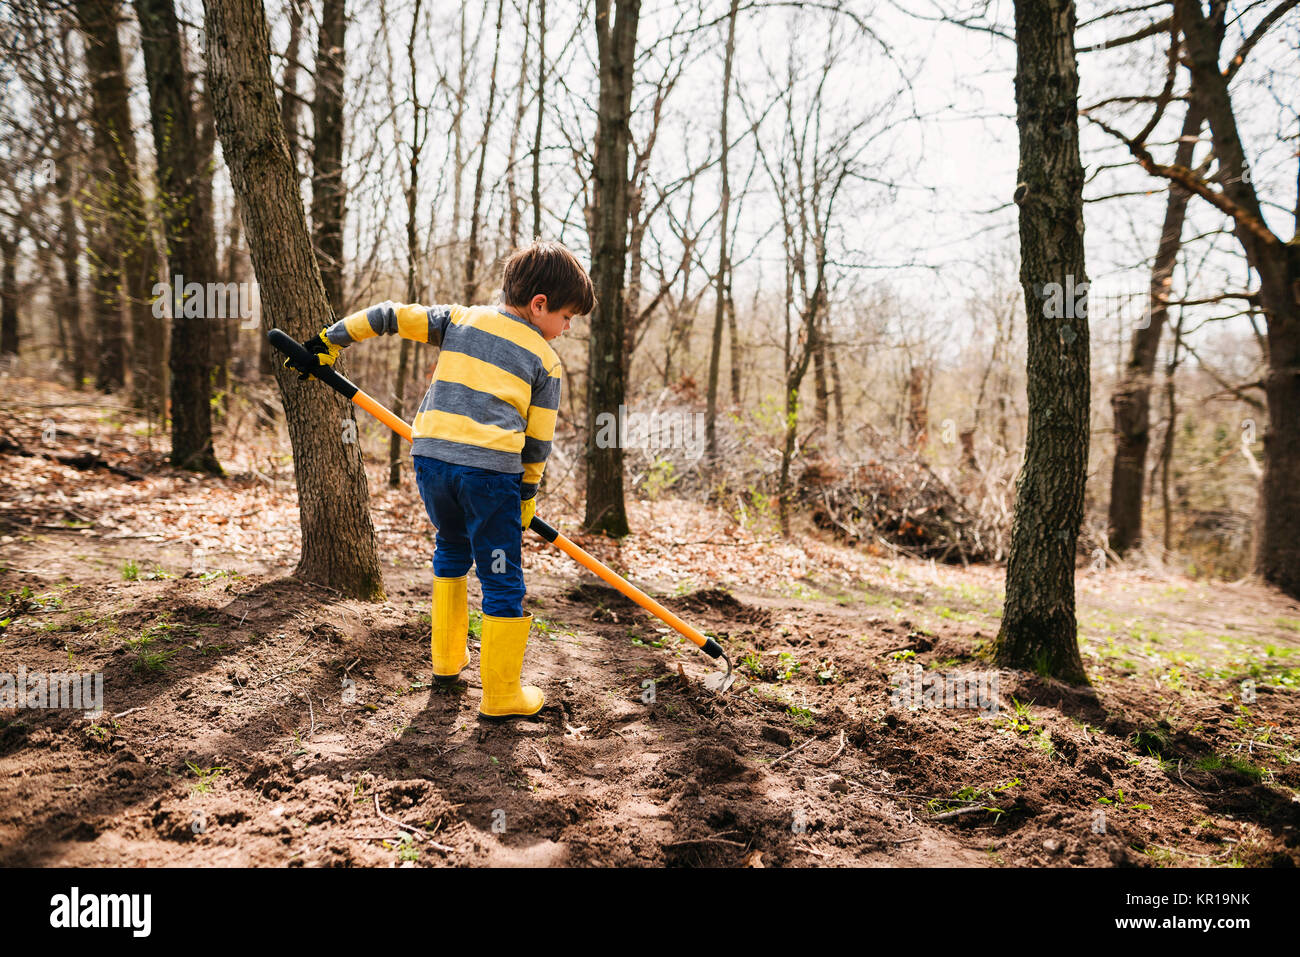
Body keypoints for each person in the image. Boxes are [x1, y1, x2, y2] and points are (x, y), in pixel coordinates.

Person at [289, 240, 595, 719]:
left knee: (451, 549)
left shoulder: (460, 319)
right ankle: (500, 696)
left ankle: (447, 663)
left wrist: (329, 340)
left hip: (431, 463)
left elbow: (388, 315)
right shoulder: (545, 360)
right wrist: (526, 496)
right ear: (540, 305)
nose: (567, 328)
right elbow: (537, 443)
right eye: (568, 317)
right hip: (491, 477)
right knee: (500, 575)